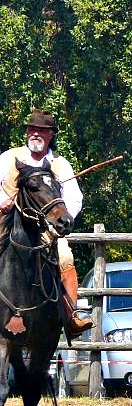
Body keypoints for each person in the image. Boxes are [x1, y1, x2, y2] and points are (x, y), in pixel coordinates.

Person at [0, 109, 93, 337]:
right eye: (32, 129)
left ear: (51, 134)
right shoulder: (7, 158)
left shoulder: (61, 165)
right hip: (6, 223)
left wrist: (59, 221)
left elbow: (74, 198)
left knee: (65, 258)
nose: (36, 134)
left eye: (42, 130)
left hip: (46, 232)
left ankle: (72, 317)